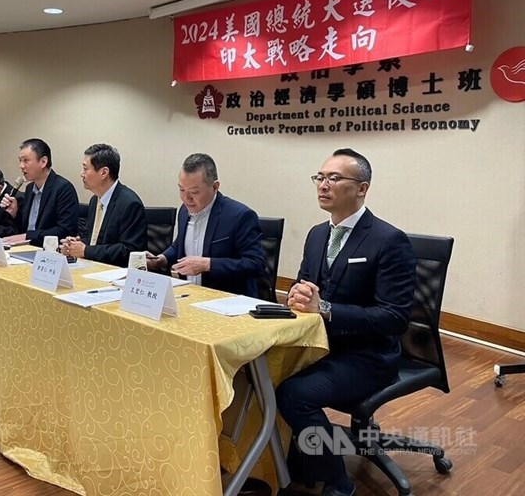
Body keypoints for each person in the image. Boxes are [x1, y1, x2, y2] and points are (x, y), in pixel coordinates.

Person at [277, 148, 416, 496]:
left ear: (362, 188)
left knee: (294, 395)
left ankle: (338, 481)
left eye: (334, 178)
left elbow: (395, 318)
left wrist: (325, 308)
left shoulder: (388, 240)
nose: (323, 185)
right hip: (321, 345)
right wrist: (296, 295)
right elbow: (305, 284)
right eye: (320, 177)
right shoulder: (316, 235)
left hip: (368, 357)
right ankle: (294, 462)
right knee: (262, 373)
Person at [146, 153, 269, 298]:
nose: (186, 198)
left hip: (226, 301)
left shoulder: (240, 216)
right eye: (181, 190)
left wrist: (208, 264)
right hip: (189, 296)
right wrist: (161, 259)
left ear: (215, 187)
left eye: (194, 192)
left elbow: (256, 264)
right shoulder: (184, 211)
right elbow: (180, 244)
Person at [60, 144, 147, 267]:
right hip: (92, 267)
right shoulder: (94, 200)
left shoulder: (129, 204)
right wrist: (75, 245)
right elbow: (93, 240)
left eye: (85, 168)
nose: (81, 174)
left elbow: (129, 250)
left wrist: (86, 250)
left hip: (115, 273)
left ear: (104, 173)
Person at [0, 138, 78, 247]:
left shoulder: (63, 188)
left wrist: (28, 236)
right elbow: (25, 229)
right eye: (20, 161)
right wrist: (15, 213)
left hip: (50, 253)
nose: (21, 166)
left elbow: (65, 231)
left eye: (26, 160)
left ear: (43, 162)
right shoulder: (29, 188)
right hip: (26, 248)